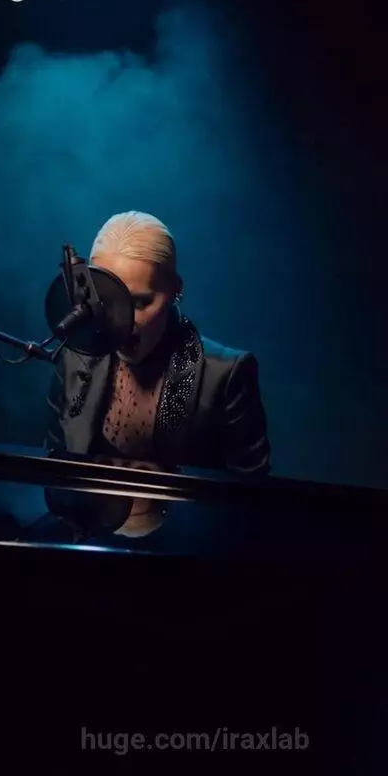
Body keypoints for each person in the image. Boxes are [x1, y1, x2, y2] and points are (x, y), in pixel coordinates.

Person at [42, 211, 270, 538]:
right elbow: (53, 472)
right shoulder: (75, 359)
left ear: (175, 290)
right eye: (108, 302)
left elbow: (250, 502)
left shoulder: (227, 374)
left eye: (141, 302)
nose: (124, 321)